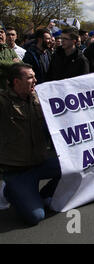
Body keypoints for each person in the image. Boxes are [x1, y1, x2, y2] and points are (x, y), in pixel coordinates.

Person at [0, 63, 61, 225]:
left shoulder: (39, 97)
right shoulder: (3, 103)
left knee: (75, 166)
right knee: (36, 217)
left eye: (34, 76)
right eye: (30, 77)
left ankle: (44, 193)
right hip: (17, 170)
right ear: (16, 82)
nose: (35, 80)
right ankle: (10, 190)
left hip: (40, 162)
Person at [0, 23, 21, 90]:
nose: (0, 34)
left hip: (9, 93)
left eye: (2, 32)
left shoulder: (10, 51)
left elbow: (21, 66)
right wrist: (13, 64)